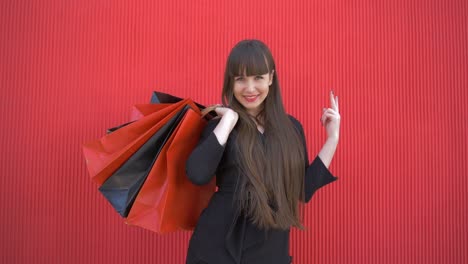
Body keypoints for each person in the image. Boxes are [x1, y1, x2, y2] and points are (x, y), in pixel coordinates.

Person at [185, 39, 341, 264]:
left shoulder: (291, 129)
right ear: (231, 82)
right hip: (216, 248)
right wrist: (229, 120)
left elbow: (302, 191)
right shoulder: (220, 126)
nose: (249, 88)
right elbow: (197, 174)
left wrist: (332, 139)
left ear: (271, 77)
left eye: (258, 77)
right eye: (240, 79)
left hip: (270, 249)